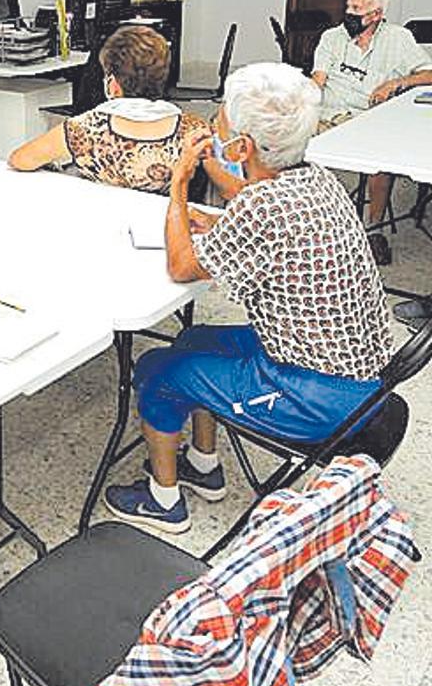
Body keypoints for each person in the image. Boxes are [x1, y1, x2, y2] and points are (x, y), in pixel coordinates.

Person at [104, 62, 392, 533]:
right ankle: (203, 464)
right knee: (194, 339)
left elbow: (180, 265)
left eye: (221, 122)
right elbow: (266, 216)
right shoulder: (314, 178)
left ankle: (164, 503)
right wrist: (219, 208)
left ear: (244, 147)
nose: (215, 126)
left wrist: (179, 185)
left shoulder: (261, 207)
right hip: (356, 375)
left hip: (316, 397)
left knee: (158, 371)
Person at [311, 0, 432, 265]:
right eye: (348, 7)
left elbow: (429, 74)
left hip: (369, 117)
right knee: (287, 144)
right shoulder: (332, 37)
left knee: (381, 162)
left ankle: (374, 229)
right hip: (329, 114)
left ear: (377, 14)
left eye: (357, 10)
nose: (349, 14)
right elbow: (318, 80)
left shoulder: (399, 38)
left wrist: (398, 82)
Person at [8, 25, 208, 195]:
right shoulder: (195, 130)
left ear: (112, 84)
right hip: (169, 228)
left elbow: (20, 160)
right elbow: (226, 188)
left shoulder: (85, 128)